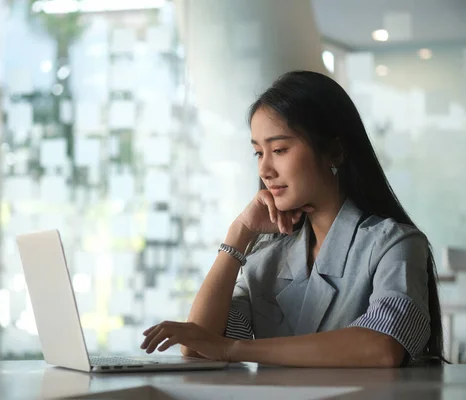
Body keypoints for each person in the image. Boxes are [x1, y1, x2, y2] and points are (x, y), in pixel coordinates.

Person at [140, 70, 445, 367]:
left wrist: (234, 349)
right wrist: (239, 233)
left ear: (335, 152)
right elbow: (198, 346)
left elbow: (382, 347)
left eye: (280, 149)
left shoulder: (395, 244)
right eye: (259, 153)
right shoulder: (266, 257)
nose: (265, 170)